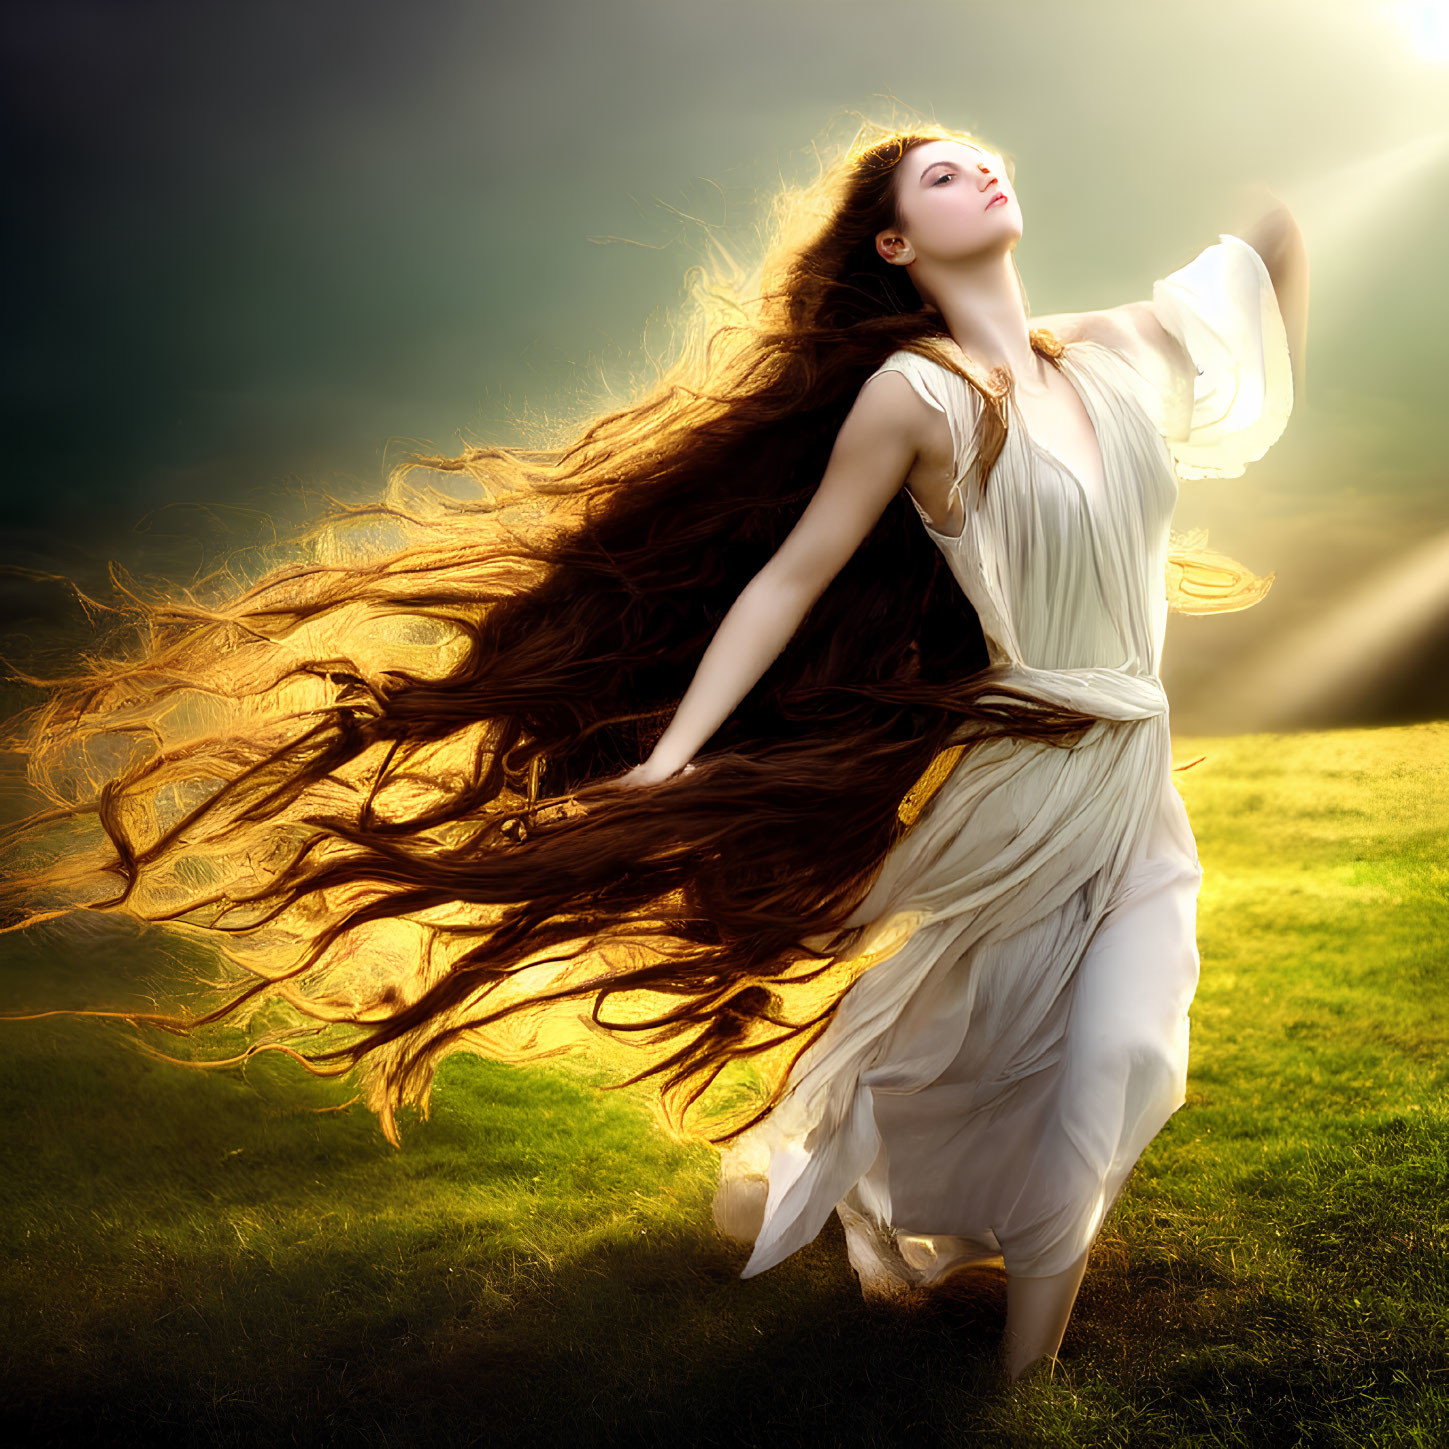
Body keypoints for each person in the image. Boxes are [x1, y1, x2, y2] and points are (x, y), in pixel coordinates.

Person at [0, 120, 1306, 1385]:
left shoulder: (1096, 354)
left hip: (1134, 773)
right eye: (937, 174)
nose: (979, 170)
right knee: (1043, 1051)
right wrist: (676, 751)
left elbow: (1251, 326)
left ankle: (1013, 1344)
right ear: (897, 245)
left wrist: (1285, 208)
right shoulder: (911, 395)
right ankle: (1020, 1375)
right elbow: (789, 580)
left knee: (1125, 1050)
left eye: (981, 159)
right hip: (1022, 773)